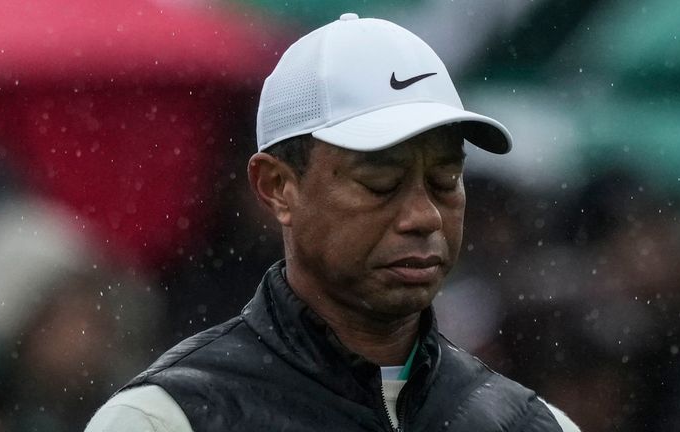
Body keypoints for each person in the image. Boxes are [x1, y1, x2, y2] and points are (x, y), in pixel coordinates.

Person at [86, 13, 579, 432]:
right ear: (278, 186)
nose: (424, 215)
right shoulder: (165, 420)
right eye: (380, 183)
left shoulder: (535, 424)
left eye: (445, 180)